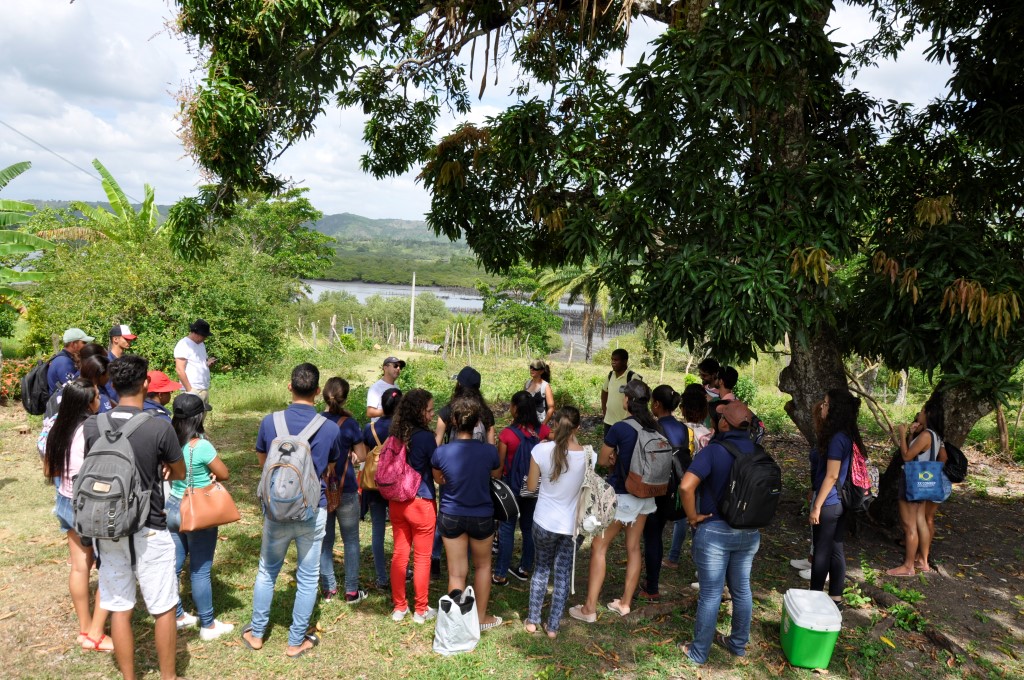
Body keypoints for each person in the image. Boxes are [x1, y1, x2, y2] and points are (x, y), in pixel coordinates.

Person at [82, 355, 186, 680]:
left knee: (119, 607)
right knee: (163, 607)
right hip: (149, 526)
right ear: (145, 384)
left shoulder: (93, 425)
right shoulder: (158, 426)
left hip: (108, 526)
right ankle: (168, 676)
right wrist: (164, 468)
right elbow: (179, 472)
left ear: (112, 384)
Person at [242, 363, 342, 658]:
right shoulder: (330, 428)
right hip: (312, 508)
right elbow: (330, 468)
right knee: (308, 577)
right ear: (317, 391)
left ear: (290, 387)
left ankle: (257, 634)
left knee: (267, 570)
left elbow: (263, 463)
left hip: (276, 508)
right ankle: (296, 641)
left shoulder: (269, 422)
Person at [678, 400, 761, 665]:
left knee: (711, 594)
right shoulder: (757, 450)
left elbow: (686, 487)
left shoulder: (714, 451)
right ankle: (737, 644)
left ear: (724, 424)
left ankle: (698, 652)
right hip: (748, 531)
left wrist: (693, 517)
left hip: (715, 531)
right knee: (742, 590)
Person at [570, 379, 659, 622]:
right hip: (646, 496)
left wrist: (613, 459)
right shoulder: (654, 427)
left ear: (627, 400)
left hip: (623, 496)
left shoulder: (620, 428)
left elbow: (602, 460)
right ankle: (625, 603)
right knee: (634, 547)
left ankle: (589, 608)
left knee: (599, 547)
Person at [43, 378, 113, 653]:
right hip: (90, 505)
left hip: (65, 500)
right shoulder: (93, 429)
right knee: (110, 565)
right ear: (88, 402)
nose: (100, 399)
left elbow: (50, 469)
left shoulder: (57, 428)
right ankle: (96, 633)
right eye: (97, 396)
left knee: (79, 566)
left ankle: (84, 629)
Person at [430, 395, 503, 631]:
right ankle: (480, 618)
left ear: (453, 421)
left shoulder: (441, 452)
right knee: (483, 566)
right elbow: (496, 474)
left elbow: (438, 478)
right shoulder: (489, 452)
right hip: (482, 515)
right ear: (477, 423)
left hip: (451, 514)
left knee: (456, 572)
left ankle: (457, 622)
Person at [165, 393, 234, 640]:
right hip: (197, 510)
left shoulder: (168, 440)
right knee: (200, 570)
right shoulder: (201, 446)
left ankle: (177, 615)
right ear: (198, 417)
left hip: (173, 506)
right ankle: (208, 625)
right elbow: (223, 473)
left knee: (173, 566)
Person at [524, 406, 587, 638]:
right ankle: (553, 627)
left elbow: (531, 487)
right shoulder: (588, 455)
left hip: (544, 521)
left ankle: (532, 620)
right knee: (562, 575)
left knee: (541, 569)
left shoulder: (540, 450)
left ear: (554, 424)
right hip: (571, 527)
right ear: (577, 428)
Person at [432, 366, 495, 578]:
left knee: (448, 513)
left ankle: (436, 557)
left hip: (451, 471)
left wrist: (438, 465)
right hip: (479, 474)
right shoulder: (485, 413)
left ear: (458, 385)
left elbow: (437, 441)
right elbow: (492, 445)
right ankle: (467, 560)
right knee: (473, 519)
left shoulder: (447, 410)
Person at [387, 388, 438, 623]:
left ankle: (399, 607)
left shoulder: (396, 434)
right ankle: (421, 609)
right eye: (429, 410)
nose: (432, 414)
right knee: (422, 557)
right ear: (419, 411)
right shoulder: (425, 438)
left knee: (400, 554)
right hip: (421, 501)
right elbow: (436, 468)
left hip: (397, 502)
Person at [808, 389, 864, 606]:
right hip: (840, 501)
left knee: (822, 551)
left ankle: (814, 597)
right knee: (835, 549)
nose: (822, 406)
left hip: (830, 502)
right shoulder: (847, 435)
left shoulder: (837, 438)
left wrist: (817, 506)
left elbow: (832, 475)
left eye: (825, 403)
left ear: (835, 410)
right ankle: (836, 598)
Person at [493, 391, 551, 586]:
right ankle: (525, 568)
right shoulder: (543, 431)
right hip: (534, 487)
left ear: (515, 409)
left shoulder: (507, 435)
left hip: (512, 487)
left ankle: (500, 573)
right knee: (528, 527)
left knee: (507, 528)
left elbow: (499, 467)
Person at [319, 377, 368, 604]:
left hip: (321, 487)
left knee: (324, 540)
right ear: (345, 398)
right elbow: (363, 455)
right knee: (351, 541)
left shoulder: (316, 421)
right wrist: (352, 455)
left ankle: (328, 589)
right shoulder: (350, 424)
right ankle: (351, 591)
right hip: (345, 487)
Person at [639, 385, 690, 601]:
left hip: (657, 487)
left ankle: (652, 587)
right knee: (656, 534)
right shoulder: (683, 428)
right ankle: (651, 583)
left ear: (657, 404)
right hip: (676, 487)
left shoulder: (654, 428)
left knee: (652, 536)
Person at [887, 397, 948, 576]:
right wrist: (911, 435)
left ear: (928, 414)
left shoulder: (926, 435)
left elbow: (906, 456)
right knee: (920, 520)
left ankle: (908, 566)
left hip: (912, 480)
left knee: (909, 525)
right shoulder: (935, 436)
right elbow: (928, 455)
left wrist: (901, 433)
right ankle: (923, 561)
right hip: (925, 481)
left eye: (921, 411)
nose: (919, 414)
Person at [664, 385, 711, 569]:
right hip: (702, 482)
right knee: (697, 520)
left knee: (681, 519)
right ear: (705, 411)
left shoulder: (680, 431)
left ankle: (673, 558)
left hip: (683, 479)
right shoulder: (708, 434)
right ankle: (700, 563)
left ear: (682, 409)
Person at [362, 386, 402, 590]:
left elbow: (365, 456)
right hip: (396, 486)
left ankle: (381, 578)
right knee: (399, 530)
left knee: (378, 530)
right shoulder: (402, 430)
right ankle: (401, 572)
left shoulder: (369, 429)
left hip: (374, 485)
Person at [174, 319, 213, 407]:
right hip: (192, 388)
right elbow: (179, 370)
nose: (205, 338)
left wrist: (208, 363)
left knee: (202, 414)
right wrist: (190, 390)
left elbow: (199, 363)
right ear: (196, 333)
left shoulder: (201, 344)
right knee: (192, 414)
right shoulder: (184, 344)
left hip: (203, 387)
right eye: (203, 336)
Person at [600, 349, 641, 430]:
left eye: (616, 360)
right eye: (612, 360)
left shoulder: (633, 377)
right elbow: (604, 393)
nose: (613, 362)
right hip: (609, 422)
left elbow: (640, 401)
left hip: (626, 423)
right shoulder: (610, 375)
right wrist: (604, 411)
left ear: (625, 361)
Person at [47, 327, 93, 393]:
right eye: (84, 342)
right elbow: (75, 390)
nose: (86, 345)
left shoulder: (65, 358)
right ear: (74, 344)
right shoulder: (64, 362)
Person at [366, 356, 405, 421]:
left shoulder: (396, 386)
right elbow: (370, 412)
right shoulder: (376, 388)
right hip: (380, 426)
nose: (398, 368)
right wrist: (389, 411)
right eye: (395, 366)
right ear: (385, 368)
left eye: (400, 367)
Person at [525, 359, 554, 425]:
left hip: (540, 422)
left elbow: (551, 408)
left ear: (541, 371)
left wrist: (543, 425)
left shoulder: (545, 386)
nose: (532, 370)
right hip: (527, 421)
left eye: (535, 368)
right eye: (531, 367)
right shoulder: (527, 383)